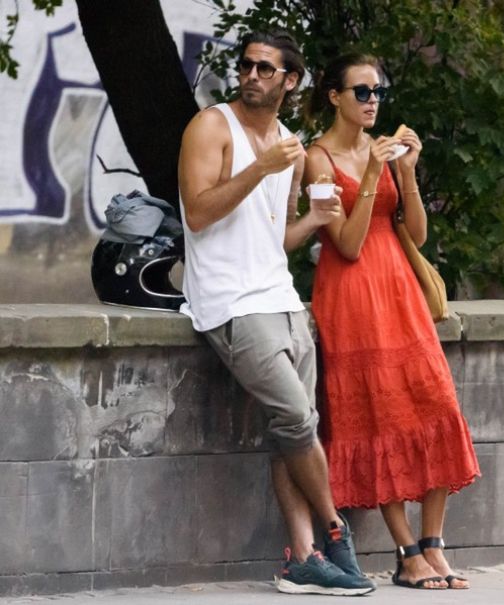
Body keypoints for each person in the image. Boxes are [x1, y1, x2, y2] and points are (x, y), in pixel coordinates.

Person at [177, 32, 375, 596]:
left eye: (266, 69)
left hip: (281, 299)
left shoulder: (289, 144)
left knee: (292, 428)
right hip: (230, 302)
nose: (252, 76)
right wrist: (259, 169)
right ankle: (335, 528)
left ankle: (302, 558)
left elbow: (275, 238)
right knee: (296, 419)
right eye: (247, 66)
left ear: (290, 81)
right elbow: (197, 213)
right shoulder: (212, 126)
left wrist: (314, 220)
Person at [304, 53, 481, 590]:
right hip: (352, 296)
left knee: (436, 404)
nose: (373, 101)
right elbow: (348, 244)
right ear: (334, 96)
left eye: (378, 91)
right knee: (378, 421)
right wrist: (372, 171)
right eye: (361, 91)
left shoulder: (383, 152)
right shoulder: (317, 158)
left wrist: (406, 172)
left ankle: (434, 544)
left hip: (400, 289)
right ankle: (406, 553)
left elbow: (418, 235)